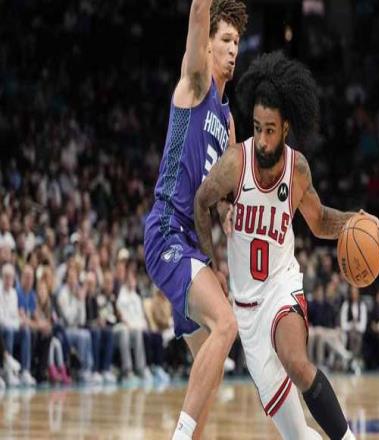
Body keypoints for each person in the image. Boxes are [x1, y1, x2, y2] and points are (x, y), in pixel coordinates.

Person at [195, 52, 379, 440]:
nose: (262, 139)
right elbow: (202, 201)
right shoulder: (235, 163)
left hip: (282, 288)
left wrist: (355, 220)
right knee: (298, 436)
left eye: (270, 130)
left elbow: (319, 221)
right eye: (257, 128)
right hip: (246, 310)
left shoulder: (297, 170)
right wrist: (210, 267)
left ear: (285, 128)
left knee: (296, 362)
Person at [143, 2, 247, 437]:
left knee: (212, 364)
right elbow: (199, 10)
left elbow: (220, 194)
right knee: (226, 324)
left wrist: (228, 211)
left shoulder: (228, 121)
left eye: (237, 42)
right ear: (206, 46)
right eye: (225, 40)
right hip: (167, 229)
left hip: (191, 243)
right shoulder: (196, 82)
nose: (233, 49)